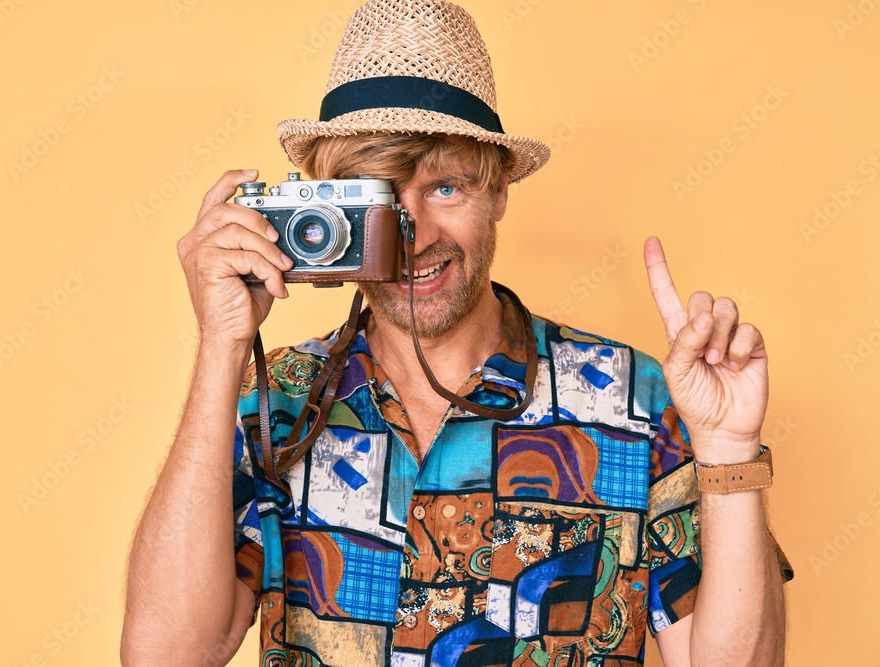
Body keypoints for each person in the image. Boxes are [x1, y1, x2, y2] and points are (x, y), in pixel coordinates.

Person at [120, 0, 793, 665]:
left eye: (445, 187)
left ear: (498, 190)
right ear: (330, 205)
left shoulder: (640, 403)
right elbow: (162, 656)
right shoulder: (273, 404)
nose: (415, 236)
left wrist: (730, 449)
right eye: (380, 197)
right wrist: (220, 347)